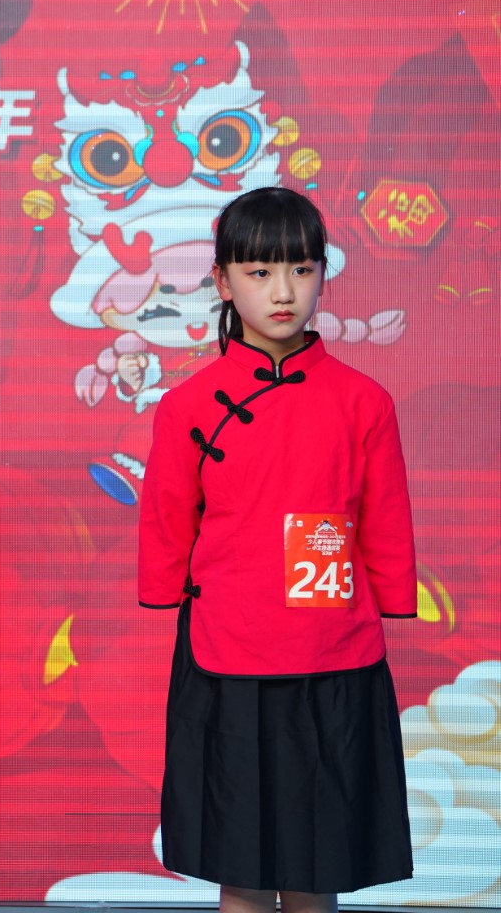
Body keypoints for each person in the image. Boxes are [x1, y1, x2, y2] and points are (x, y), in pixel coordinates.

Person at [138, 186, 416, 913]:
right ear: (223, 281)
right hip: (227, 653)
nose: (284, 291)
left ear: (323, 273)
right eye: (259, 272)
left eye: (301, 269)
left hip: (335, 655)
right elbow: (168, 515)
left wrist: (394, 596)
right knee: (241, 869)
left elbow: (384, 518)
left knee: (318, 868)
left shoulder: (365, 400)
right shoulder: (188, 404)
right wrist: (162, 588)